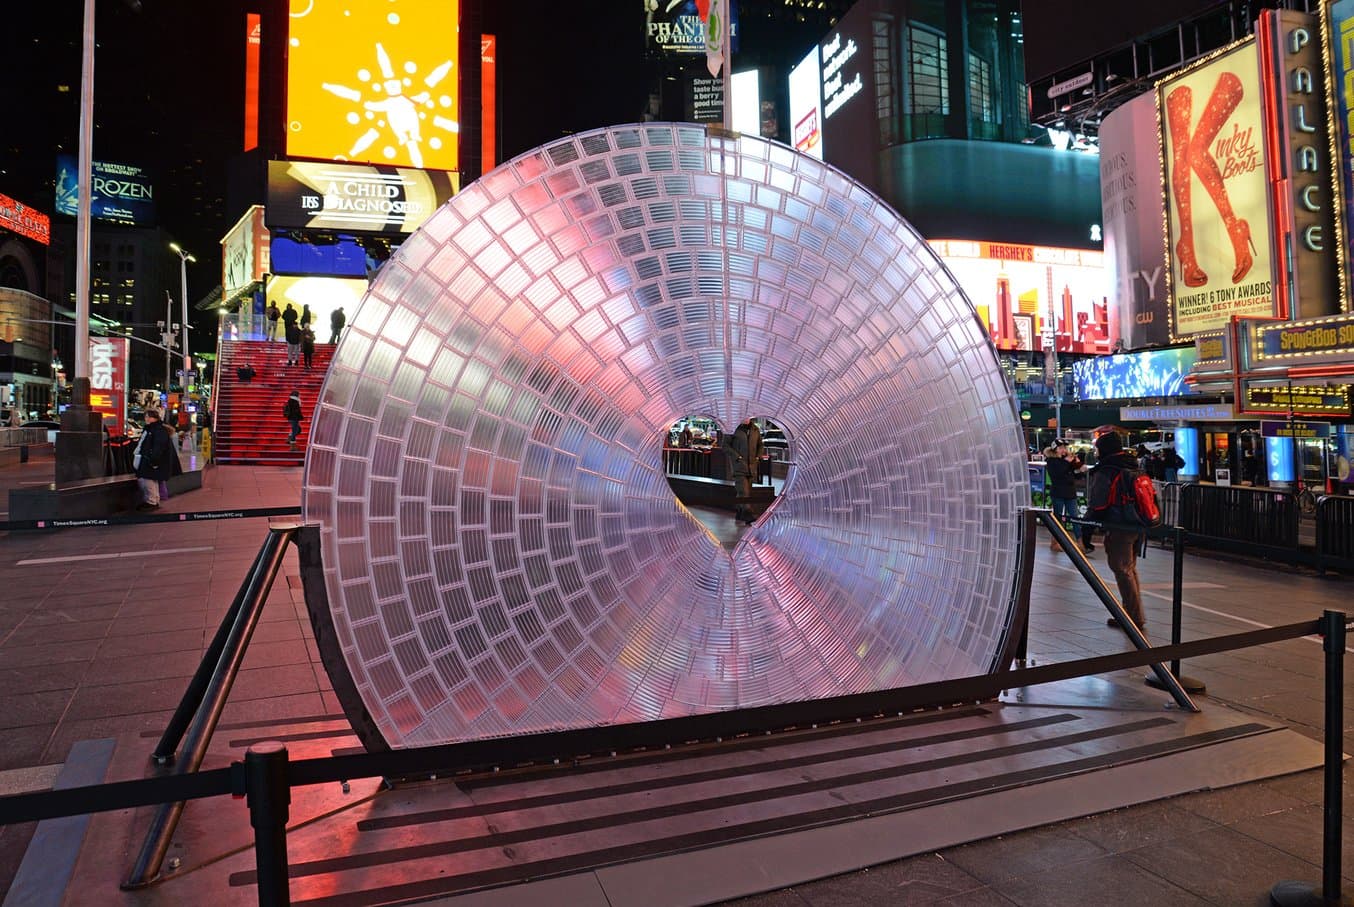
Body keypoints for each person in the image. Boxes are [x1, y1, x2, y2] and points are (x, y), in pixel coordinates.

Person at [1087, 431, 1146, 632]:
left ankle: (1132, 618)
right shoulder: (1132, 465)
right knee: (1129, 568)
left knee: (1122, 569)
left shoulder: (1108, 470)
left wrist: (1087, 528)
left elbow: (1098, 503)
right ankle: (1133, 614)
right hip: (1137, 524)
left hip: (1119, 525)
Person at [721, 417, 764, 525]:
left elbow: (760, 445)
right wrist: (737, 457)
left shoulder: (755, 429)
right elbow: (725, 446)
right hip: (739, 466)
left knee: (746, 492)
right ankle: (749, 515)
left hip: (751, 467)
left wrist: (758, 457)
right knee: (743, 492)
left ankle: (740, 512)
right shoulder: (732, 429)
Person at [1043, 441, 1084, 552]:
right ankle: (1055, 542)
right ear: (1055, 449)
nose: (1063, 450)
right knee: (1058, 518)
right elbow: (1057, 475)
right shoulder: (1051, 461)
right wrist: (1067, 462)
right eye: (1060, 447)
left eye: (1064, 447)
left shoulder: (1066, 460)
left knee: (1075, 517)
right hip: (1058, 493)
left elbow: (1077, 475)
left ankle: (1080, 543)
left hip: (1070, 492)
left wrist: (1078, 466)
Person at [133, 408, 175, 511]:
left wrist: (153, 459)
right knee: (150, 479)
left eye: (148, 416)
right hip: (149, 458)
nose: (146, 419)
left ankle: (151, 501)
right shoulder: (152, 429)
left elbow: (158, 446)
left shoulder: (157, 430)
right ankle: (154, 500)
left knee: (147, 479)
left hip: (151, 460)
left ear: (154, 418)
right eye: (145, 416)